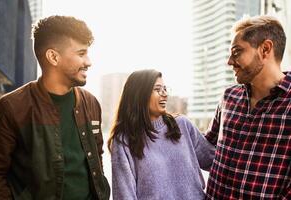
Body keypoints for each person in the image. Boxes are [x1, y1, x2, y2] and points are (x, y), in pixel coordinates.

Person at [0, 15, 110, 200]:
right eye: (81, 53)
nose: (88, 61)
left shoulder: (91, 103)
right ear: (53, 57)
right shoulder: (10, 108)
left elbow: (97, 156)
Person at [205, 15, 291, 199]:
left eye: (236, 52)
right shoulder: (229, 97)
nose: (229, 61)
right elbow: (205, 148)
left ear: (265, 49)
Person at [108, 69, 215, 200]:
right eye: (157, 89)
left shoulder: (183, 125)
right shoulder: (123, 141)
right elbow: (124, 195)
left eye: (165, 89)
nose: (164, 94)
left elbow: (216, 162)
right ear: (140, 94)